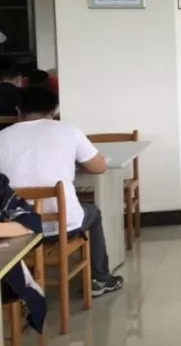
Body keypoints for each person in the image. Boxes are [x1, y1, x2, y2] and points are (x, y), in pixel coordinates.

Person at [0, 86, 124, 296]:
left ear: (18, 109)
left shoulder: (2, 136)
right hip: (63, 225)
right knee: (93, 213)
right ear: (54, 110)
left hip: (15, 229)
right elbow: (99, 167)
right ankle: (101, 279)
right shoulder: (68, 131)